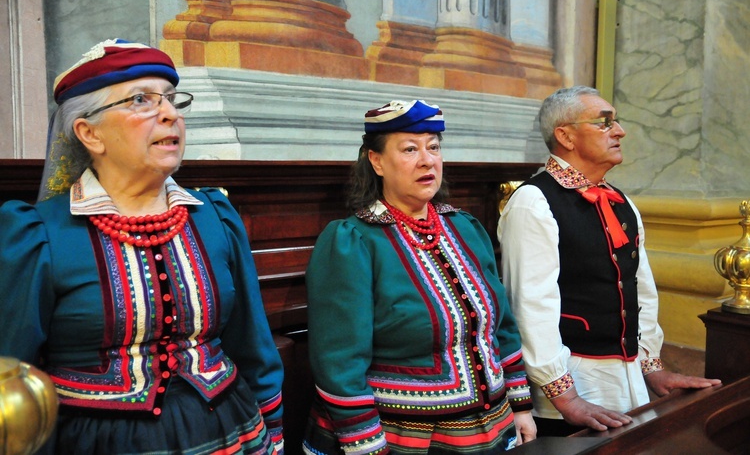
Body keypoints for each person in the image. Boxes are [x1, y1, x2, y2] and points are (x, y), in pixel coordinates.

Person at [0, 39, 284, 454]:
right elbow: (13, 376)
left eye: (170, 99)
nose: (169, 113)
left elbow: (252, 343)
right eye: (140, 100)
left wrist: (274, 432)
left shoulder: (215, 217)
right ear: (89, 133)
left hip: (231, 430)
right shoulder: (39, 234)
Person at [302, 100, 536, 454]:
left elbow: (501, 326)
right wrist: (366, 445)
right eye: (410, 149)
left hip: (493, 429)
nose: (427, 160)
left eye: (434, 147)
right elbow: (339, 362)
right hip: (402, 439)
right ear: (376, 161)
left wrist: (520, 406)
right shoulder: (353, 242)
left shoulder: (465, 228)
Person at [497, 86, 721, 437]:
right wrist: (566, 396)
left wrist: (651, 367)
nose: (620, 131)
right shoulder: (533, 203)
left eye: (615, 122)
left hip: (628, 377)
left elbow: (640, 289)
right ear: (565, 136)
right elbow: (529, 307)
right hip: (573, 384)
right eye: (604, 124)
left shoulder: (619, 200)